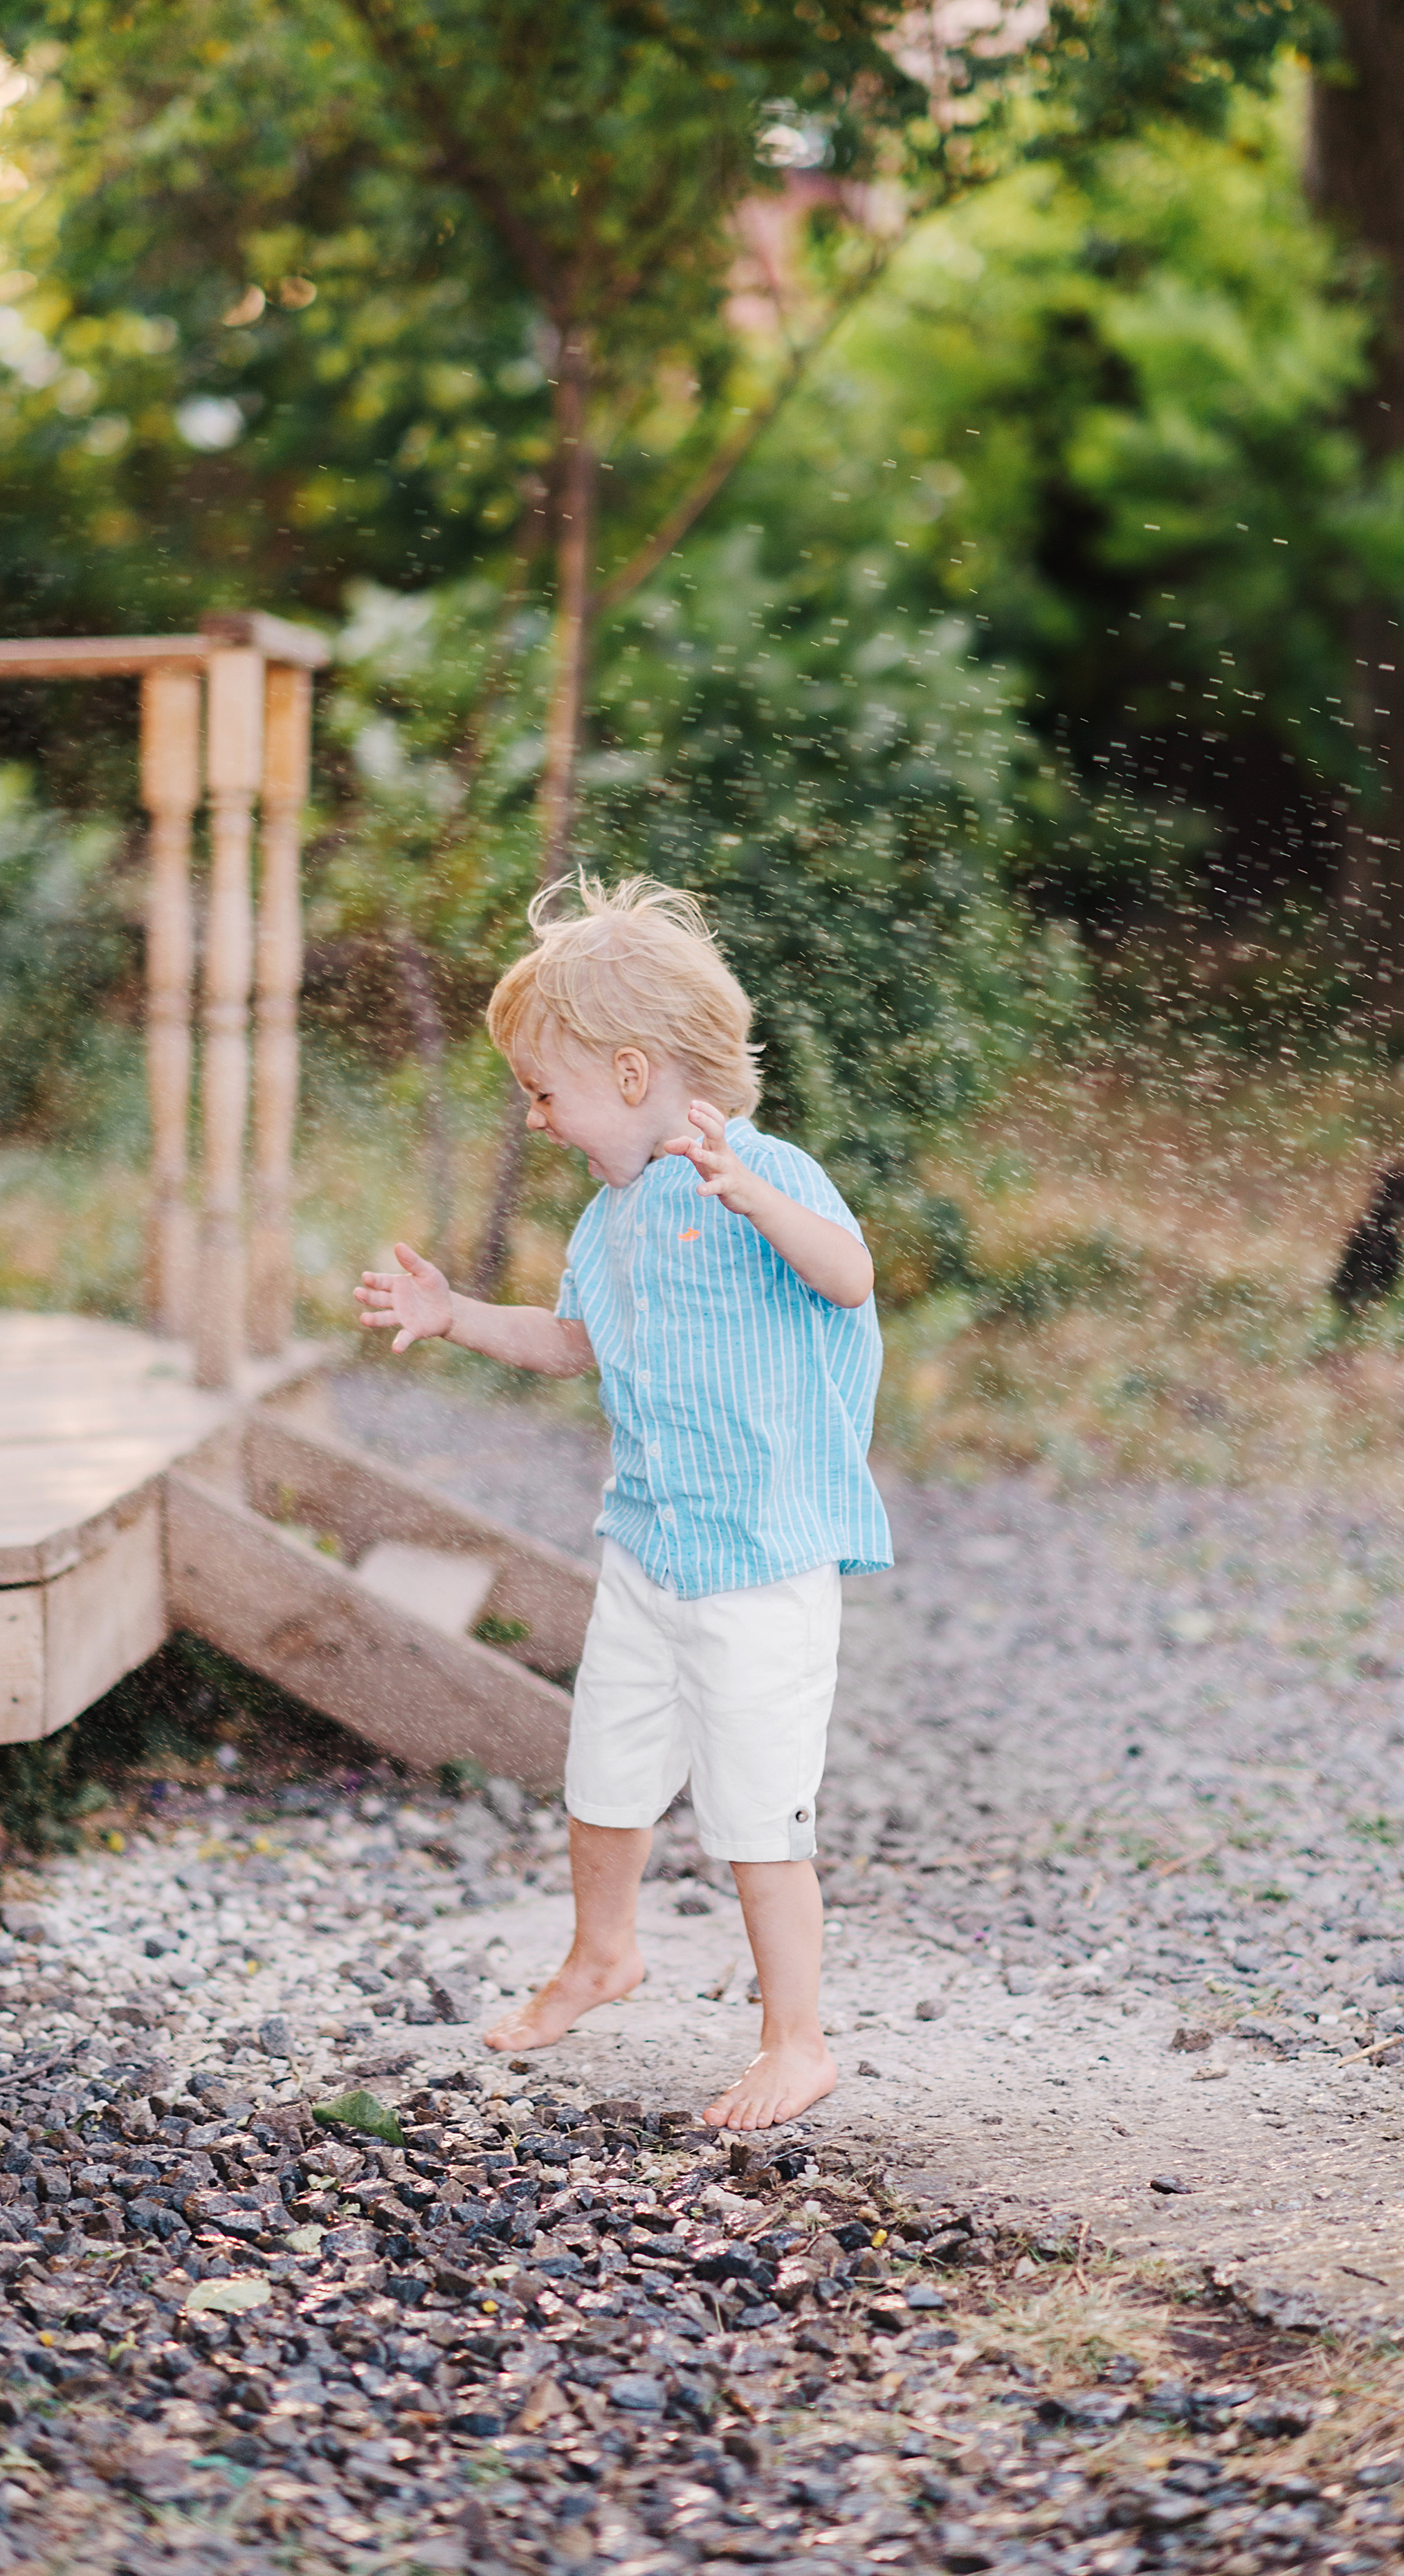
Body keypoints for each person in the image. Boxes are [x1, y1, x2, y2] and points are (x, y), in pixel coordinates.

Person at [354, 875, 891, 2128]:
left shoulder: (762, 1172)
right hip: (650, 1547)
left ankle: (797, 2040)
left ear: (634, 1073)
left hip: (761, 1563)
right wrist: (452, 1316)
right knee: (604, 1776)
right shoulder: (611, 1220)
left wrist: (759, 1200)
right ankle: (603, 1954)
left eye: (545, 1091)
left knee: (757, 1813)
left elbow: (850, 1278)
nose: (535, 1117)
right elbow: (572, 1343)